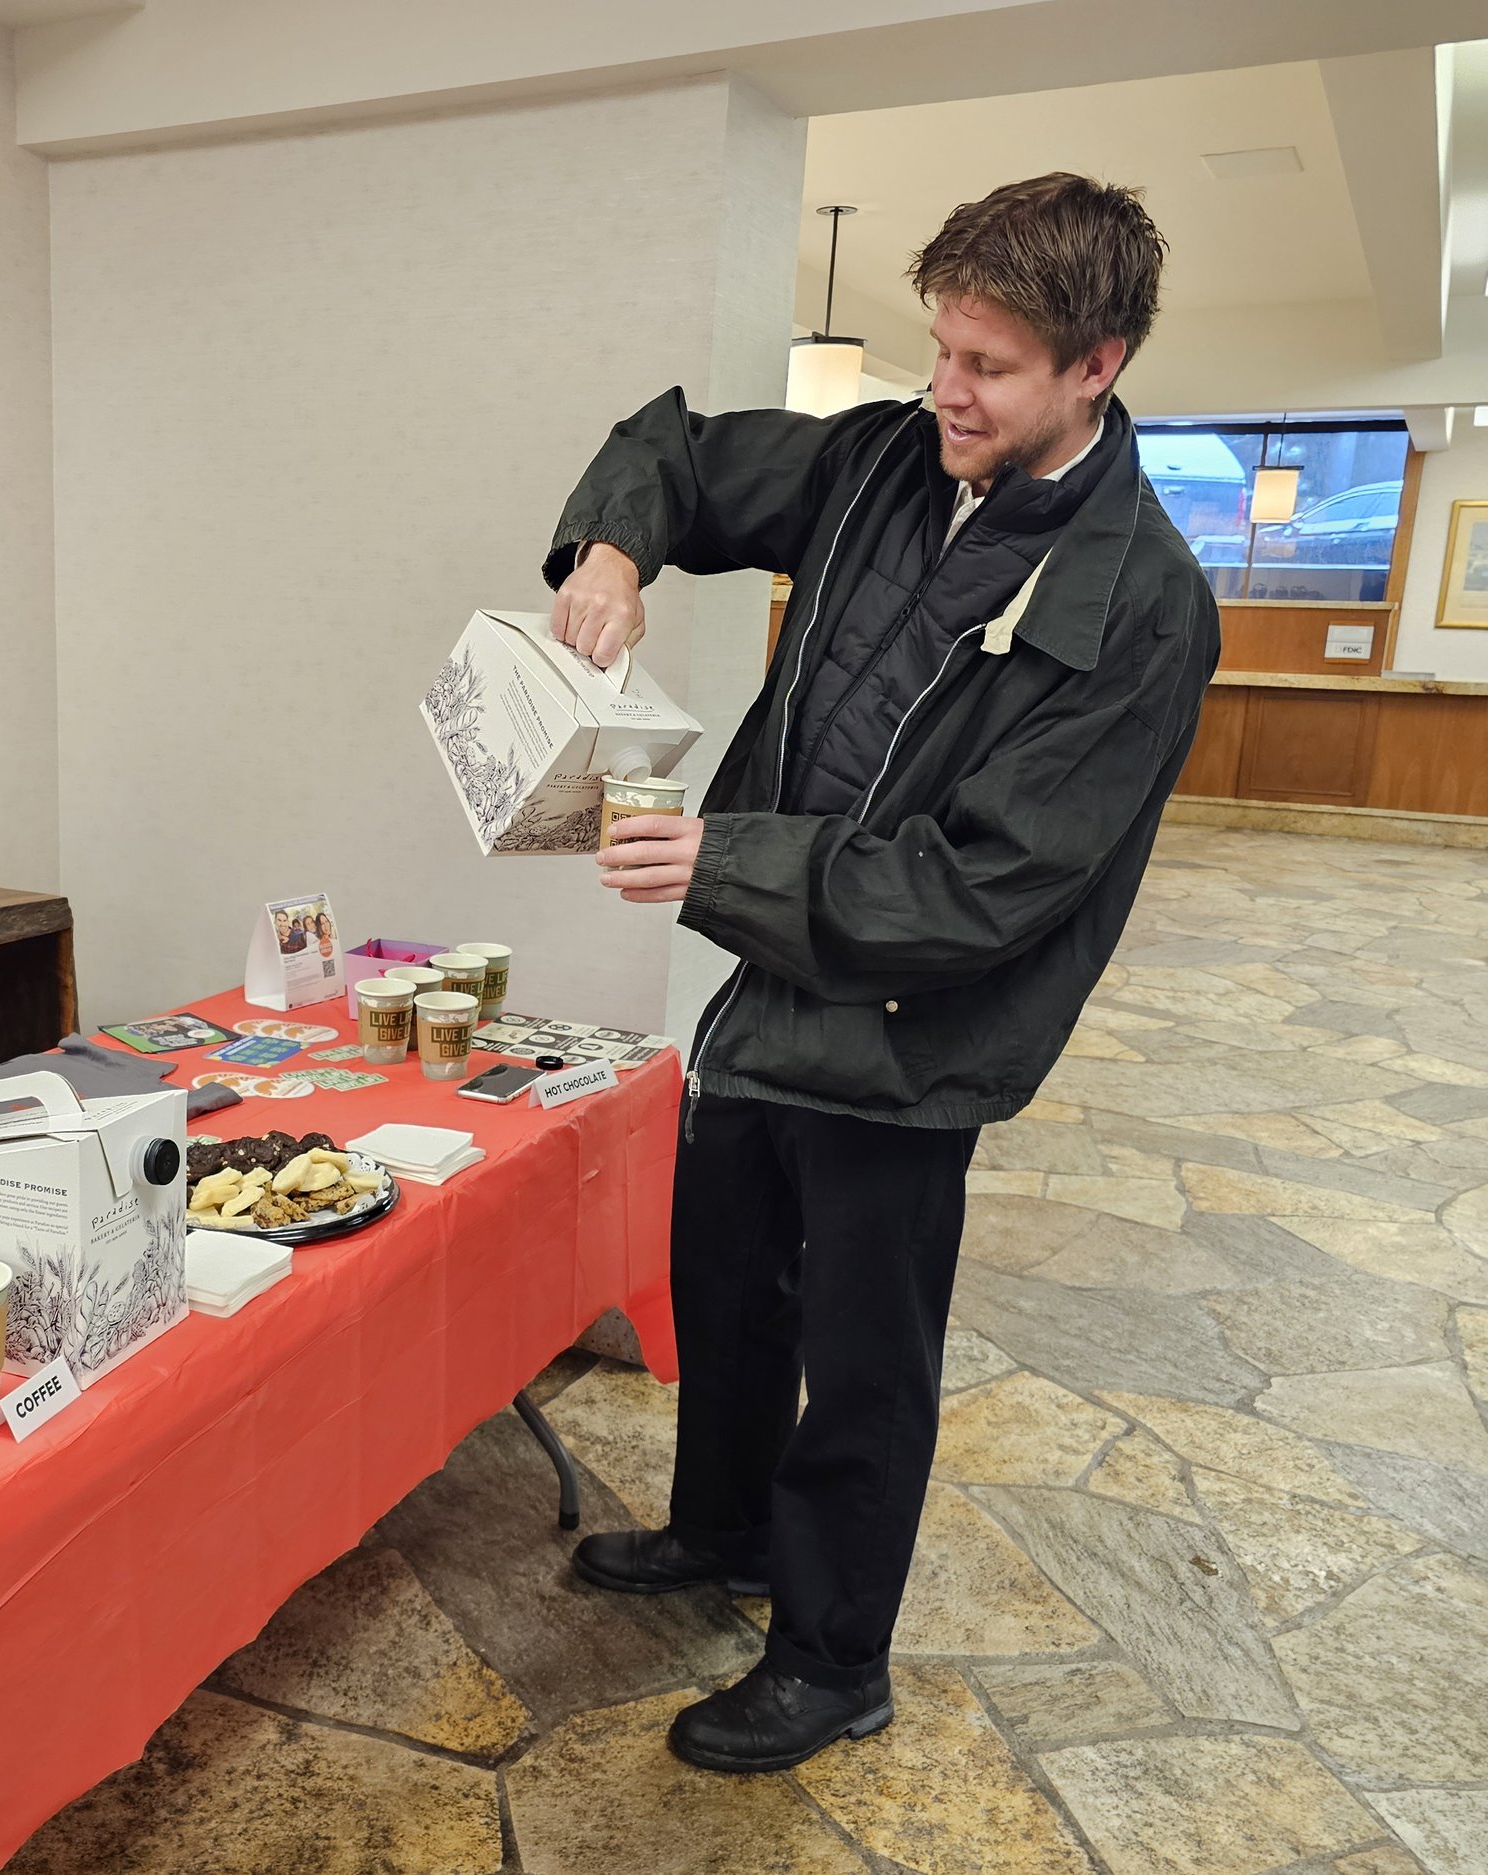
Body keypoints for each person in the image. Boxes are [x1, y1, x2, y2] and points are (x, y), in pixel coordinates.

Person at [541, 173, 1220, 1774]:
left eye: (988, 366)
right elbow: (689, 457)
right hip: (775, 982)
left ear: (1095, 367)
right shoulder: (879, 463)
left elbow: (991, 886)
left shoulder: (1142, 610)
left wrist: (725, 864)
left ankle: (836, 1656)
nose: (946, 391)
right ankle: (721, 1530)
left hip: (918, 1034)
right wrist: (618, 548)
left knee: (861, 1357)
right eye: (941, 349)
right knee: (725, 1275)